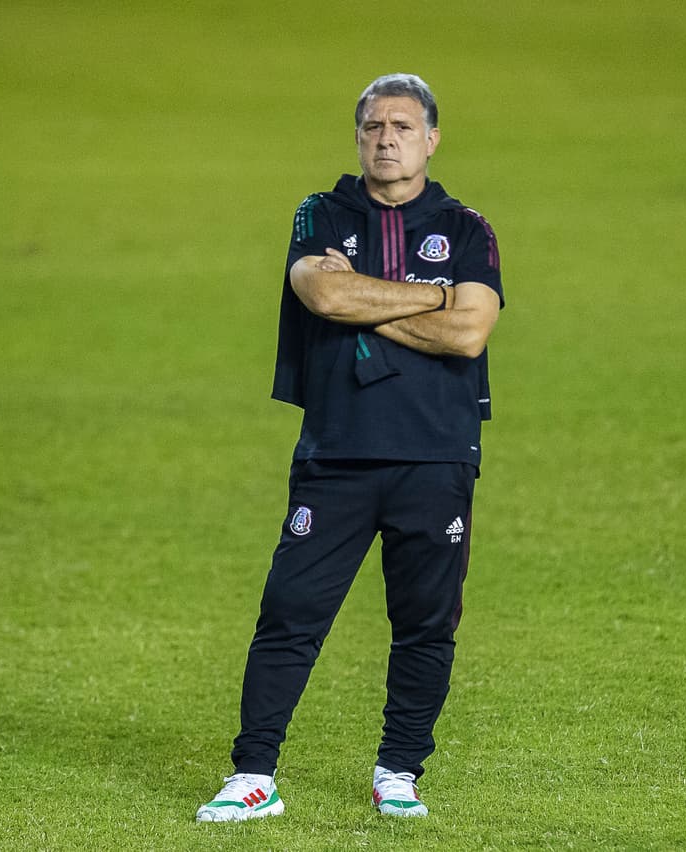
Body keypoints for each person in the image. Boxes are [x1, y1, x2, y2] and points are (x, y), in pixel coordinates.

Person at [196, 73, 504, 822]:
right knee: (290, 613)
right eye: (373, 126)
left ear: (431, 140)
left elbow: (470, 332)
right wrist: (437, 296)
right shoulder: (320, 213)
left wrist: (368, 300)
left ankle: (399, 771)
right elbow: (325, 296)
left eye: (402, 127)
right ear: (358, 137)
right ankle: (253, 776)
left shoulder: (468, 229)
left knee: (425, 623)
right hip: (336, 454)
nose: (386, 139)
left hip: (436, 456)